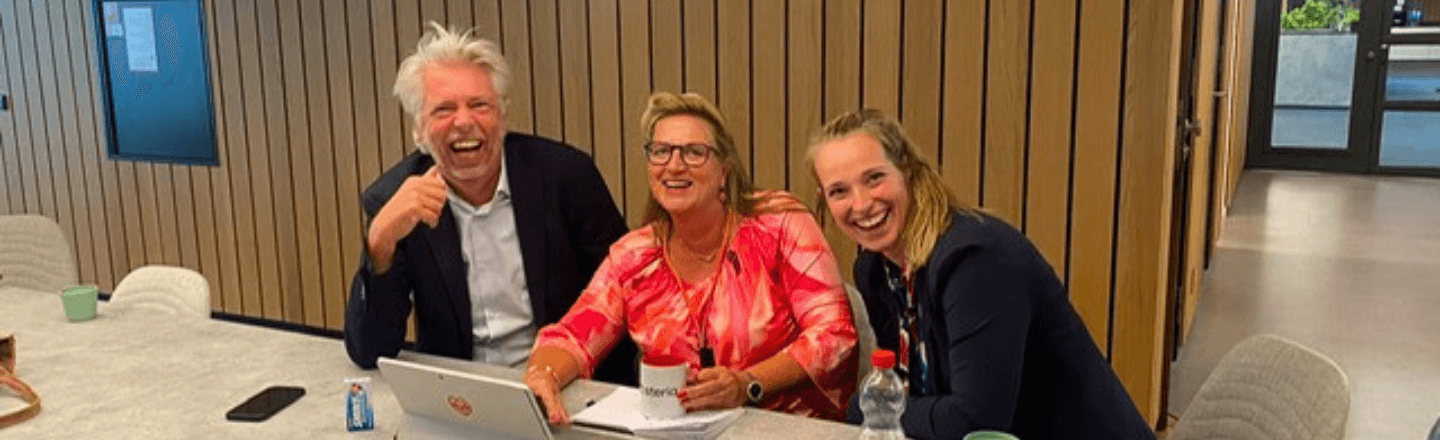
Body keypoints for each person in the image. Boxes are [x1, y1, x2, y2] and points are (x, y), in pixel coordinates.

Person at [808, 109, 1157, 440]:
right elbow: (904, 390)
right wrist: (879, 408)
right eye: (839, 191)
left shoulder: (976, 261)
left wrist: (865, 407)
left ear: (908, 172)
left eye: (874, 178)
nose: (861, 204)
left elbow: (975, 422)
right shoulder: (875, 271)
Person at [524, 92, 858, 424]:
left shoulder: (779, 224)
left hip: (787, 426)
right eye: (661, 151)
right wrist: (544, 376)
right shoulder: (634, 256)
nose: (674, 165)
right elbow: (572, 336)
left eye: (694, 153)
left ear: (724, 171)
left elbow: (834, 334)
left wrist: (747, 384)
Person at [343, 23, 637, 385]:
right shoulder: (395, 199)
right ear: (419, 129)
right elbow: (368, 351)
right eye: (443, 110)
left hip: (566, 381)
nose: (464, 121)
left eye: (479, 105)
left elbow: (625, 296)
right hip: (460, 391)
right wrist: (380, 242)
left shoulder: (566, 176)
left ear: (501, 116)